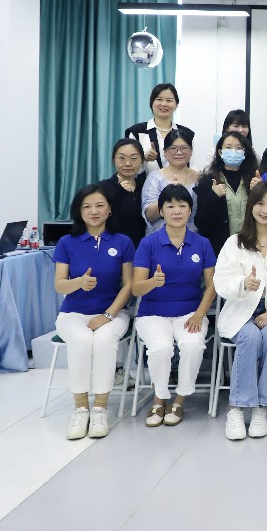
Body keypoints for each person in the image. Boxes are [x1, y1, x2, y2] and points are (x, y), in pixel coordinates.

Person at [214, 182, 267, 441]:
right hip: (241, 310)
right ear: (251, 206)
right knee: (250, 337)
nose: (265, 210)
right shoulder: (234, 243)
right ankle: (237, 408)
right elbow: (221, 281)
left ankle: (261, 408)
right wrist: (244, 284)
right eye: (260, 203)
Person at [53, 184, 135, 439]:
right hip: (73, 314)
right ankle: (80, 409)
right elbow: (59, 285)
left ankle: (99, 408)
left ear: (110, 210)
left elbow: (129, 285)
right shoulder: (67, 243)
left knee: (103, 340)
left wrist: (108, 315)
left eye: (100, 205)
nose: (94, 211)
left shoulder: (123, 242)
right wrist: (79, 282)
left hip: (113, 313)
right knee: (81, 339)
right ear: (79, 211)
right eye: (87, 206)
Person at [131, 184, 217, 427]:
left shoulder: (202, 243)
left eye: (182, 205)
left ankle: (179, 399)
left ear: (190, 211)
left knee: (192, 344)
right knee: (160, 348)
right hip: (152, 314)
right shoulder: (148, 243)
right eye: (170, 206)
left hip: (190, 312)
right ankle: (159, 399)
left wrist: (199, 315)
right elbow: (136, 288)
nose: (176, 211)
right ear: (161, 211)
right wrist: (152, 282)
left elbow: (212, 286)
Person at [195, 131, 262, 257]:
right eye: (228, 147)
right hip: (219, 251)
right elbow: (200, 223)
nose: (233, 151)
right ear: (220, 152)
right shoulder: (208, 181)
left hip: (251, 248)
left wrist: (260, 190)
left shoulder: (253, 180)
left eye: (238, 148)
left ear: (245, 152)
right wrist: (213, 197)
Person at [125, 83, 195, 174]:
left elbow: (193, 167)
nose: (164, 104)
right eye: (159, 99)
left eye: (169, 100)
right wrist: (144, 159)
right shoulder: (137, 132)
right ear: (152, 103)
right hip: (145, 183)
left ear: (176, 104)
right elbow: (128, 167)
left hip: (181, 182)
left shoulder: (186, 134)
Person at [141, 130, 200, 235]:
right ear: (165, 152)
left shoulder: (200, 178)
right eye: (173, 148)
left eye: (184, 148)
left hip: (192, 238)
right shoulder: (155, 178)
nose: (179, 152)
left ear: (191, 151)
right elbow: (149, 215)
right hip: (160, 238)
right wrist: (167, 195)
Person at [98, 138, 147, 246]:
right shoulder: (103, 188)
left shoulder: (146, 187)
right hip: (112, 248)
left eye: (134, 158)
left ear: (142, 161)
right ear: (113, 160)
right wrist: (119, 193)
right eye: (122, 158)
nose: (128, 163)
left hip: (141, 249)